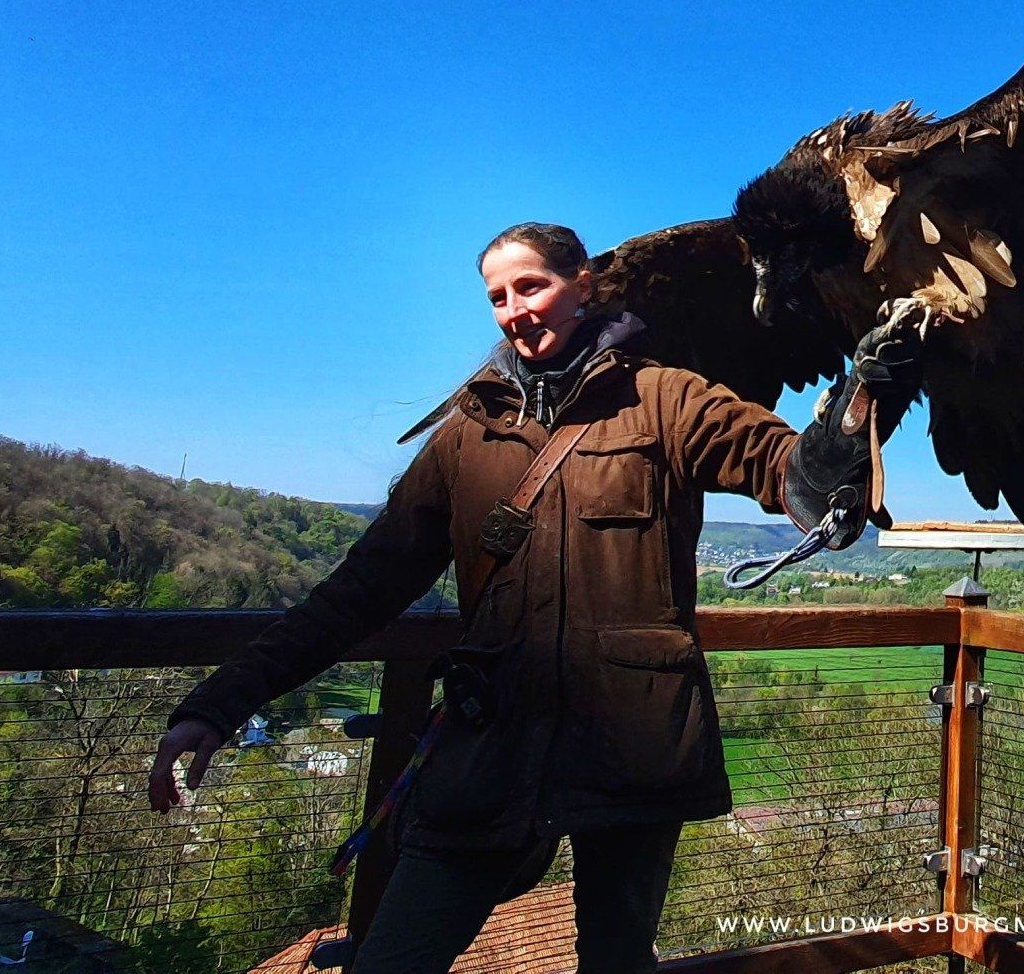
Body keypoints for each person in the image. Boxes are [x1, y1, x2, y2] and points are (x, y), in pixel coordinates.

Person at [147, 222, 920, 972]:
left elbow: (791, 475)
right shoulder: (465, 436)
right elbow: (357, 593)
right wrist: (219, 704)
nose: (515, 309)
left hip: (631, 752)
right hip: (491, 742)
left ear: (583, 286)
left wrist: (856, 410)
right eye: (497, 296)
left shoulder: (665, 400)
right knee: (395, 956)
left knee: (616, 963)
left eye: (532, 286)